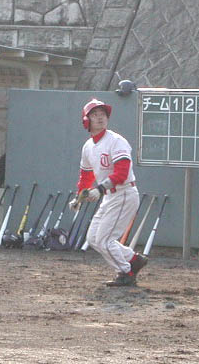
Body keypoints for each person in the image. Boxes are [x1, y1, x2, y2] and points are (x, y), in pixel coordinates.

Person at [70, 98, 147, 287]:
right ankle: (134, 259)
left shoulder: (116, 141)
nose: (100, 118)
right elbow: (86, 176)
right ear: (86, 120)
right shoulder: (88, 146)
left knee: (105, 240)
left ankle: (126, 272)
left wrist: (100, 189)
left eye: (103, 114)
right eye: (95, 115)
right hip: (110, 195)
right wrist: (79, 197)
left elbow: (121, 173)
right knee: (93, 239)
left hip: (124, 192)